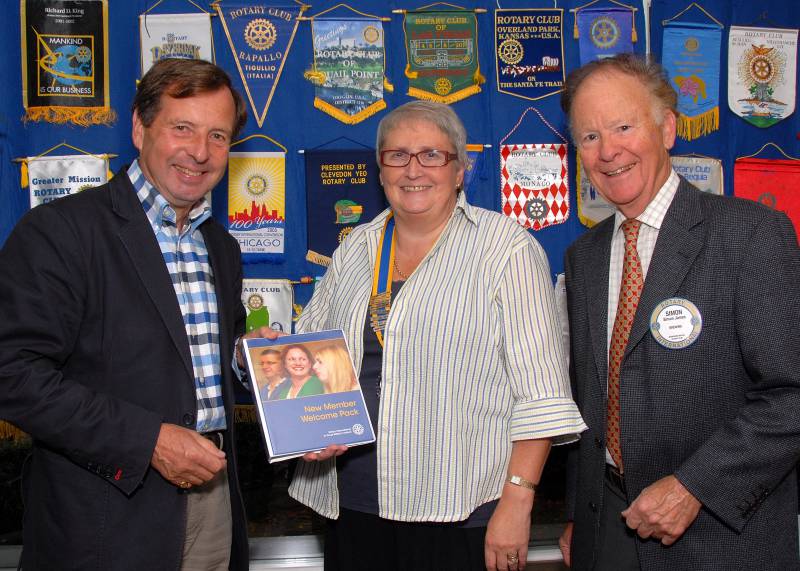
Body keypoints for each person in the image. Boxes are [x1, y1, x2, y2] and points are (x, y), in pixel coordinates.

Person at [286, 100, 586, 571]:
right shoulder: (355, 250)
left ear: (460, 168)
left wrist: (517, 502)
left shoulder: (505, 250)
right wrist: (263, 361)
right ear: (380, 168)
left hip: (460, 510)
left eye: (432, 155)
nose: (413, 170)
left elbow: (542, 397)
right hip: (355, 503)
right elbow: (311, 352)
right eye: (398, 155)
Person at [0, 59, 251, 569]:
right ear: (140, 127)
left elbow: (203, 364)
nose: (200, 153)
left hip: (214, 502)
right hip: (106, 515)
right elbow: (12, 373)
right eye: (182, 128)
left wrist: (252, 363)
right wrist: (148, 441)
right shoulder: (62, 231)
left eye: (218, 136)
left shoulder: (220, 246)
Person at [559, 53, 800, 570]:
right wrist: (584, 516)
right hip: (609, 532)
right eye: (589, 136)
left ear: (667, 128)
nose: (608, 151)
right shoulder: (584, 257)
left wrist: (695, 486)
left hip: (718, 534)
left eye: (623, 126)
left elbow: (791, 395)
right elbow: (590, 404)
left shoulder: (751, 234)